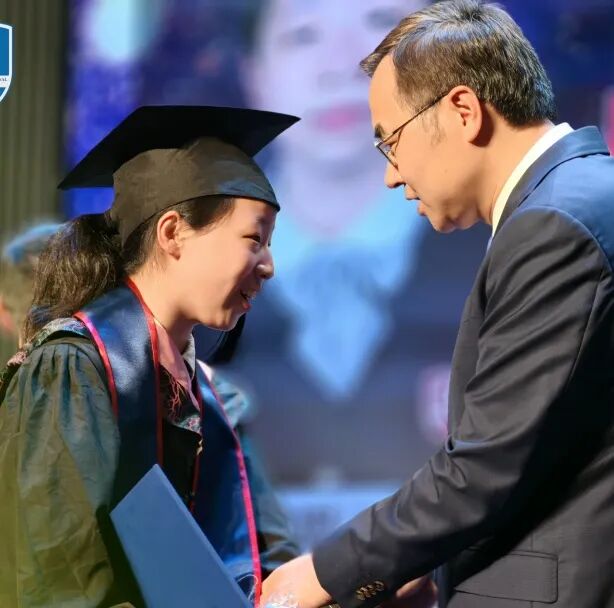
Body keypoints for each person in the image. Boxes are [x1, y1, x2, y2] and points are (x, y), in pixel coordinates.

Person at [261, 1, 614, 607]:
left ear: (463, 111)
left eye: (389, 142)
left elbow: (487, 466)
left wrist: (324, 574)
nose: (391, 176)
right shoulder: (574, 201)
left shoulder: (555, 225)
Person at [0, 105, 301, 607]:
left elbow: (254, 558)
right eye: (255, 239)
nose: (268, 264)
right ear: (172, 233)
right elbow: (61, 580)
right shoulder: (74, 367)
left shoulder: (209, 396)